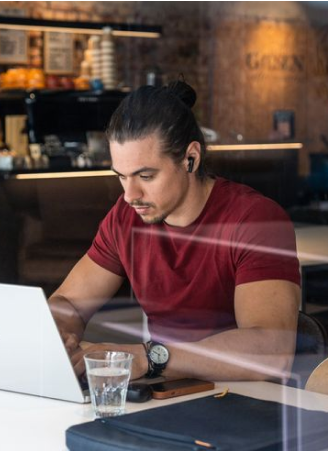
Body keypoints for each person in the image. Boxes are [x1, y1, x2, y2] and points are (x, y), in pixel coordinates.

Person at [49, 80, 301, 383]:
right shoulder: (125, 217)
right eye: (122, 177)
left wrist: (148, 358)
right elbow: (71, 303)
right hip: (166, 393)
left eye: (145, 175)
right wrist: (58, 329)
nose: (130, 194)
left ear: (190, 158)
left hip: (244, 399)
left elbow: (271, 351)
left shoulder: (254, 220)